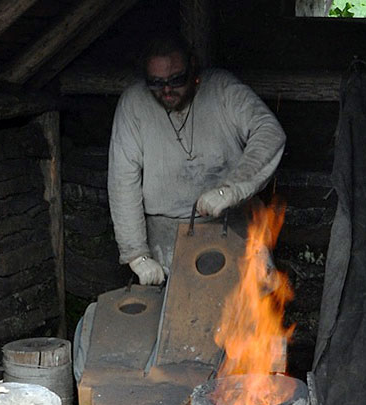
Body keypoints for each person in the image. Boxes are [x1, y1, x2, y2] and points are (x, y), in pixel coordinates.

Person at [107, 33, 286, 284]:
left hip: (232, 224)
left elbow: (269, 131)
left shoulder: (222, 90)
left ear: (193, 67)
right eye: (156, 83)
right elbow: (122, 181)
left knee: (248, 308)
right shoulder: (133, 104)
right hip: (166, 232)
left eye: (176, 79)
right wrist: (137, 255)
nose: (167, 90)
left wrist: (230, 190)